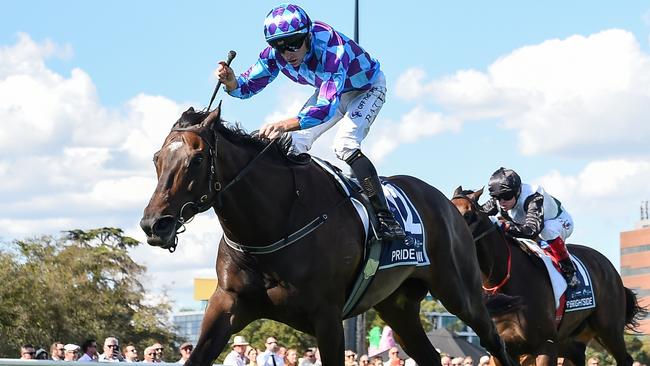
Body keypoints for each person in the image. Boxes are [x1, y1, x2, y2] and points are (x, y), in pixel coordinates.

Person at [215, 3, 406, 242]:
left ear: (307, 35)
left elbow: (327, 108)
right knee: (292, 144)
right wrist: (231, 81)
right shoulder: (276, 55)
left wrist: (286, 123)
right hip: (331, 91)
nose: (288, 53)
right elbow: (245, 87)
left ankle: (386, 219)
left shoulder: (330, 47)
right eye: (279, 46)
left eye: (294, 43)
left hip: (365, 89)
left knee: (345, 144)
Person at [482, 167, 580, 288]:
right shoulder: (500, 199)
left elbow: (532, 230)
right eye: (496, 197)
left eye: (506, 196)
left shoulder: (533, 197)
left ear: (517, 191)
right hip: (529, 228)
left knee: (546, 230)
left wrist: (507, 226)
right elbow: (478, 214)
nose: (501, 202)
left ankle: (569, 270)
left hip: (559, 222)